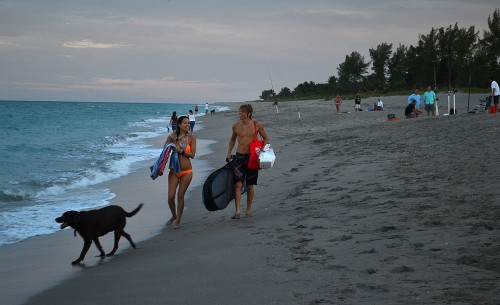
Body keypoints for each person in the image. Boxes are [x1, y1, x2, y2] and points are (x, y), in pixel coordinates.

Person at [226, 104, 270, 219]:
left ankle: (248, 210)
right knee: (238, 184)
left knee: (250, 185)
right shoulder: (235, 126)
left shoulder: (257, 125)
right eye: (239, 112)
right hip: (239, 157)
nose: (240, 114)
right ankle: (237, 211)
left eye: (242, 112)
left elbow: (266, 138)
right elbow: (232, 140)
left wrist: (262, 151)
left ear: (249, 113)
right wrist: (228, 152)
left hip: (252, 157)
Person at [164, 116, 196, 229]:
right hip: (174, 170)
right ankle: (174, 215)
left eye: (188, 123)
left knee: (180, 196)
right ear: (179, 124)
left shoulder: (191, 138)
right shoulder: (171, 137)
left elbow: (192, 155)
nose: (188, 125)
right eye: (185, 123)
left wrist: (180, 151)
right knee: (171, 197)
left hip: (187, 171)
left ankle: (178, 221)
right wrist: (157, 168)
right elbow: (164, 153)